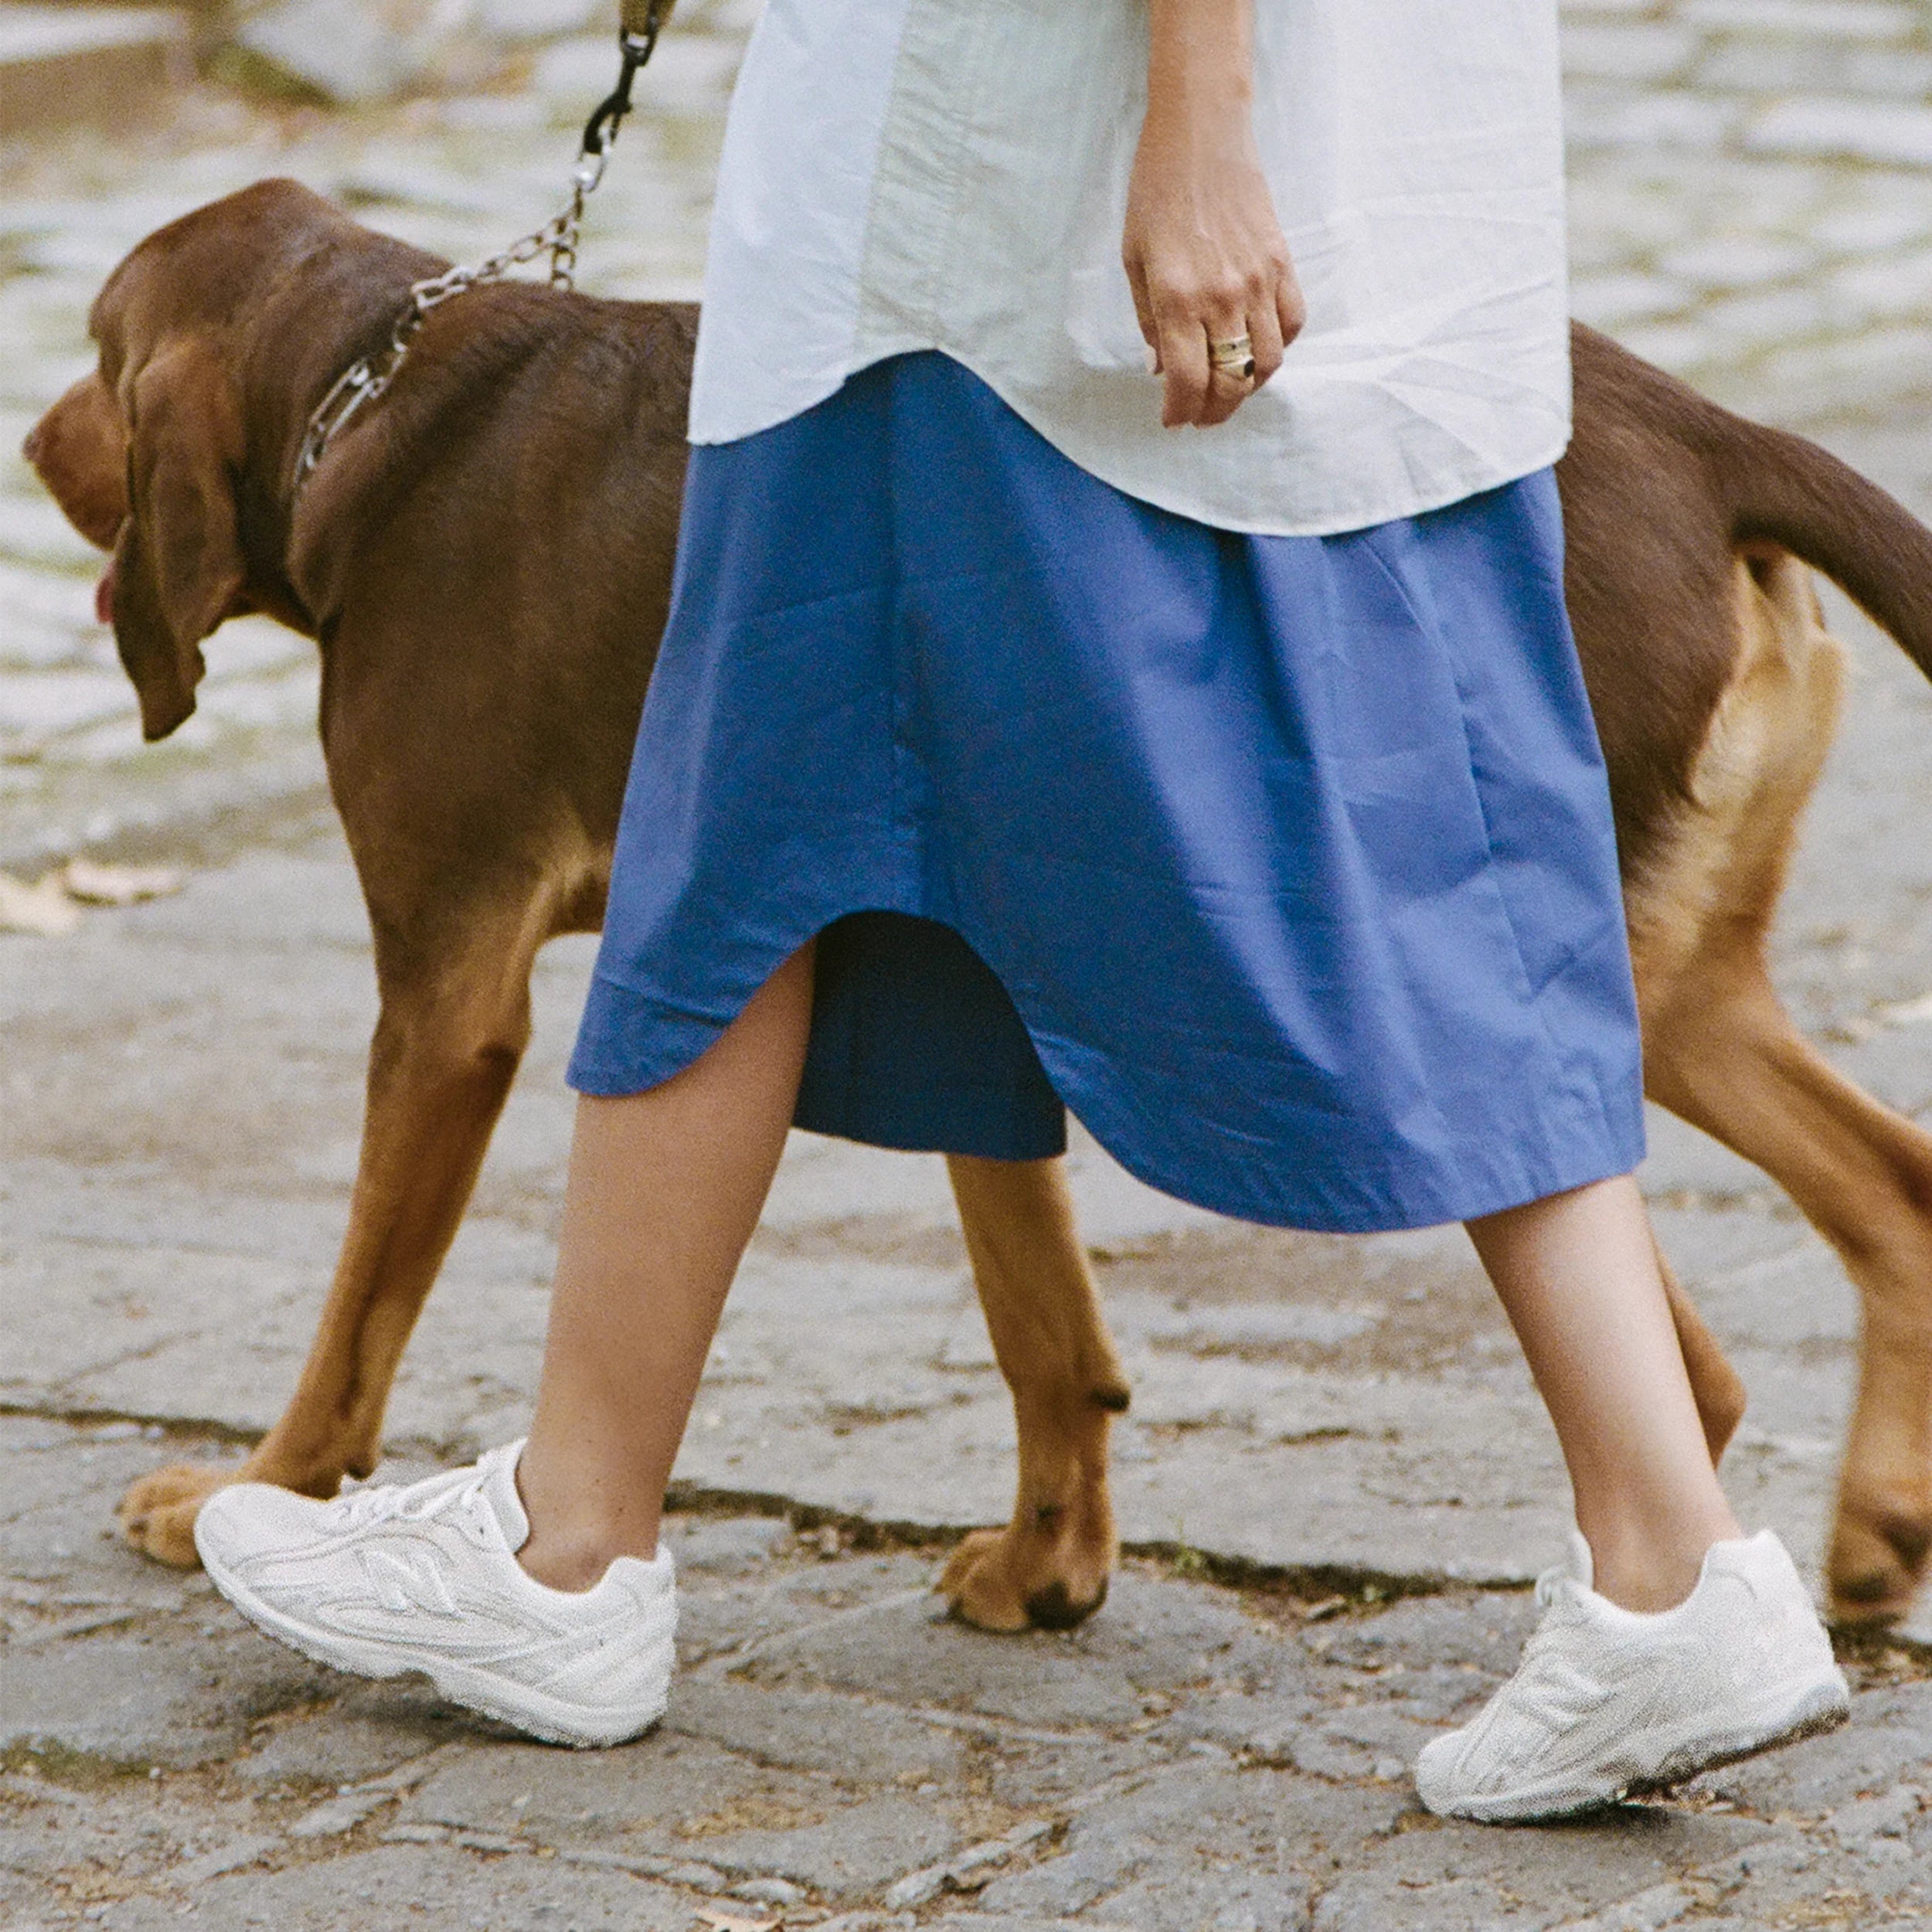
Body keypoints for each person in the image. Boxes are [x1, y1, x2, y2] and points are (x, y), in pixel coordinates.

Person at [194, 0, 1848, 1821]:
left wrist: (1198, 117)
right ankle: (1668, 1550)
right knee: (1382, 836)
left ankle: (567, 1553)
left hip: (1004, 204)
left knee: (763, 793)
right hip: (1264, 185)